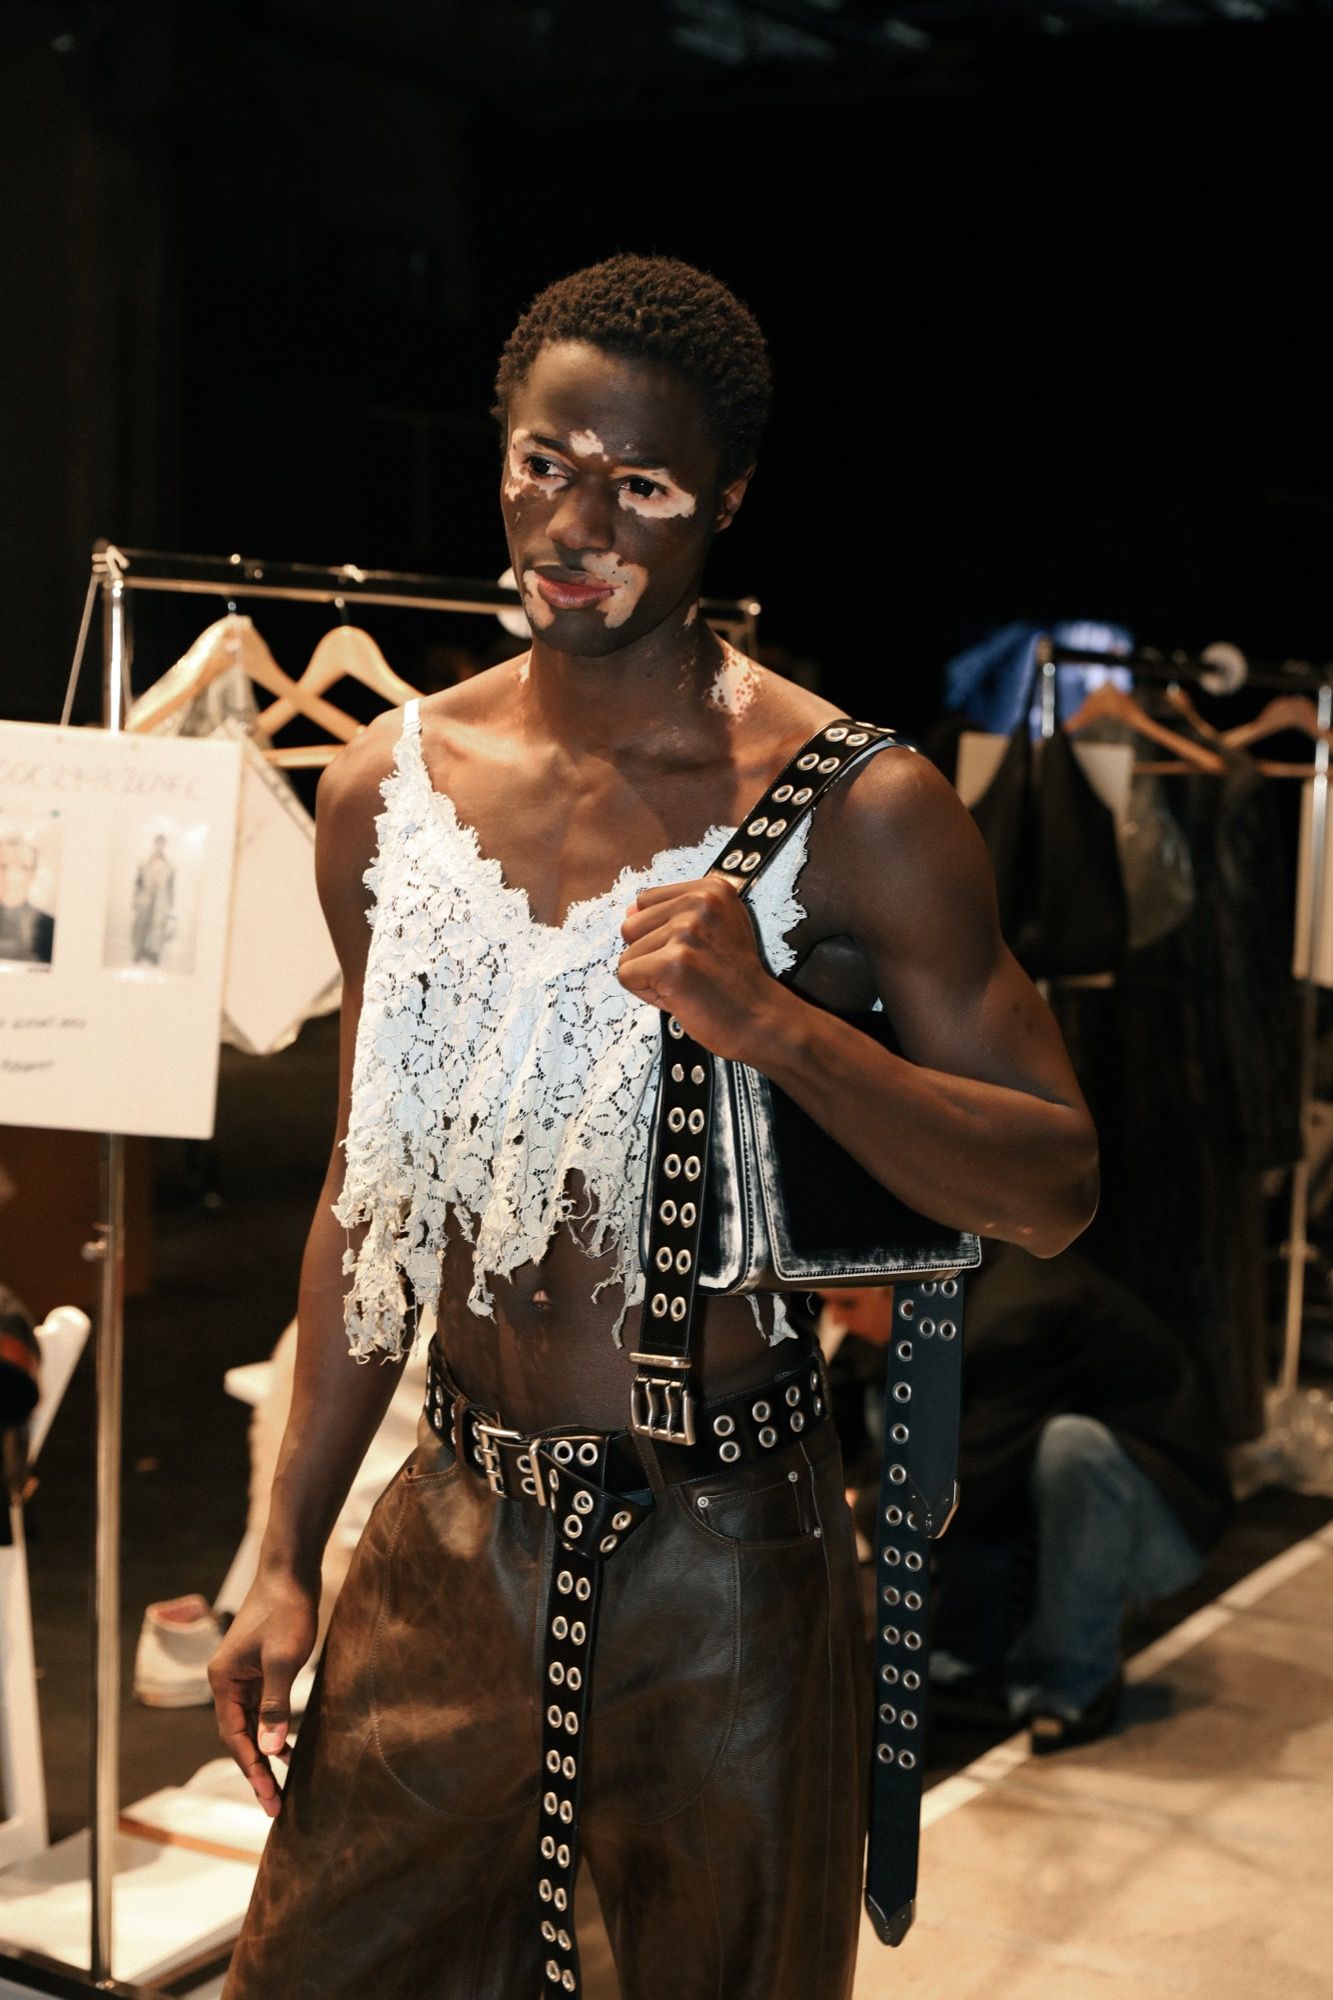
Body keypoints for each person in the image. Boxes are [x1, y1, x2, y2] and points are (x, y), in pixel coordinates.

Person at [210, 253, 1098, 2000]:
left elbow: (1053, 1184)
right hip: (450, 1532)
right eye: (546, 463)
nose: (577, 525)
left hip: (731, 1563)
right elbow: (366, 1199)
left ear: (729, 499)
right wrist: (283, 1551)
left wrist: (777, 1026)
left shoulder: (860, 806)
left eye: (643, 485)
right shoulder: (383, 792)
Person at [929, 1241, 1232, 1752]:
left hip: (1165, 1524)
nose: (840, 1320)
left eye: (847, 1304)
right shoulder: (970, 1286)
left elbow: (978, 1466)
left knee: (1067, 1449)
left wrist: (869, 1515)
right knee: (934, 1431)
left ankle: (1072, 1684)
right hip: (1061, 1504)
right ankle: (970, 1656)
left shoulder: (1021, 1307)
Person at [0, 833, 54, 965]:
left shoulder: (48, 926)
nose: (11, 876)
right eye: (3, 866)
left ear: (32, 873)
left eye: (22, 868)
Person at [131, 832, 175, 964]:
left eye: (162, 843)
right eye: (157, 843)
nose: (159, 846)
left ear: (164, 845)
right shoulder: (144, 862)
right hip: (145, 898)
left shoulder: (170, 865)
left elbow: (170, 886)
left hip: (160, 900)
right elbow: (138, 882)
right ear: (154, 843)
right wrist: (135, 900)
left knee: (158, 927)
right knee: (140, 924)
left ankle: (154, 953)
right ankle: (138, 951)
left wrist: (170, 905)